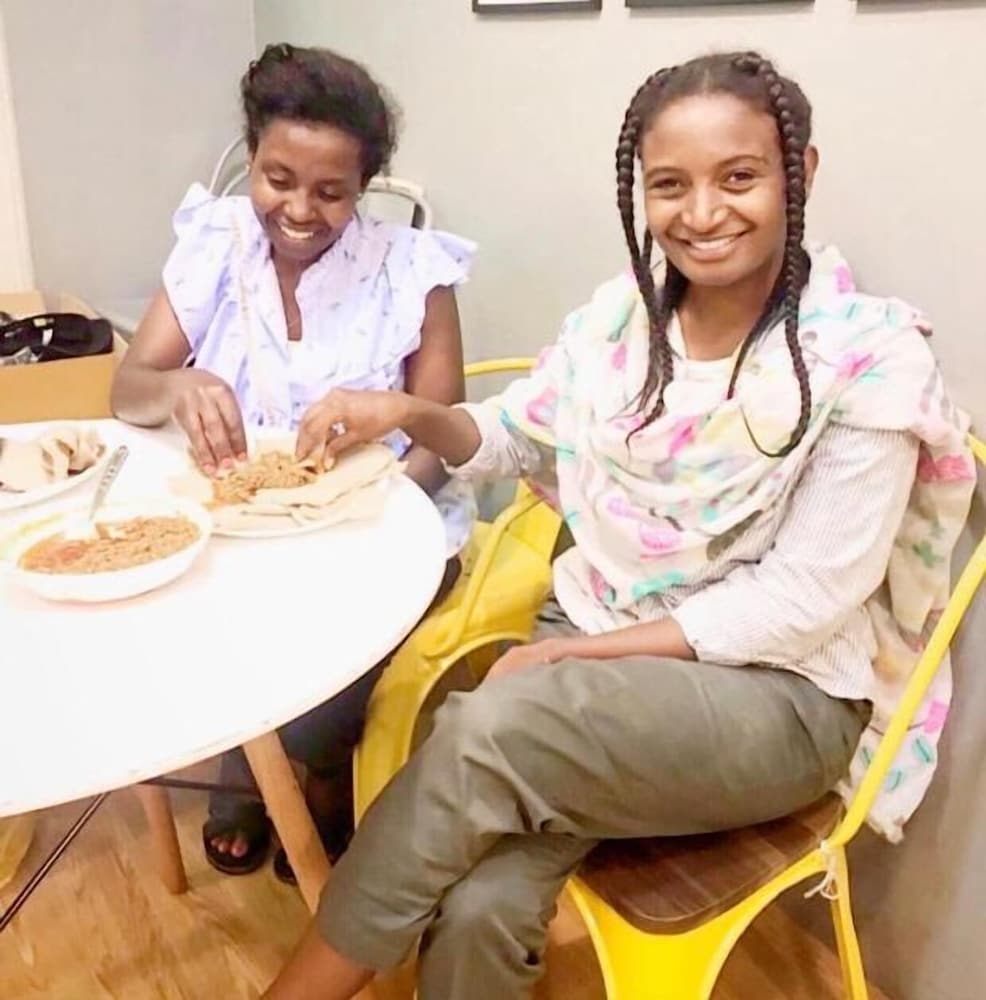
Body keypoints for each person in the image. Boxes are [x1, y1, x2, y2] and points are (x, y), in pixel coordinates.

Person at [262, 50, 974, 1000]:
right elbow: (517, 435)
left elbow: (800, 604)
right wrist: (407, 413)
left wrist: (572, 658)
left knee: (495, 724)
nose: (702, 213)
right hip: (604, 652)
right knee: (479, 903)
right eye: (670, 185)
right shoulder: (620, 324)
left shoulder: (868, 359)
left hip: (778, 696)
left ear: (799, 174)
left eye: (739, 177)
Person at [111, 42, 474, 881]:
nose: (299, 210)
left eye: (331, 192)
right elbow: (127, 388)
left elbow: (444, 434)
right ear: (252, 158)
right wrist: (176, 386)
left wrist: (365, 503)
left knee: (323, 668)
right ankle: (251, 764)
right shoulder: (216, 243)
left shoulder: (412, 270)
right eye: (278, 179)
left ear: (365, 186)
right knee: (182, 610)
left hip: (385, 523)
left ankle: (312, 766)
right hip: (239, 523)